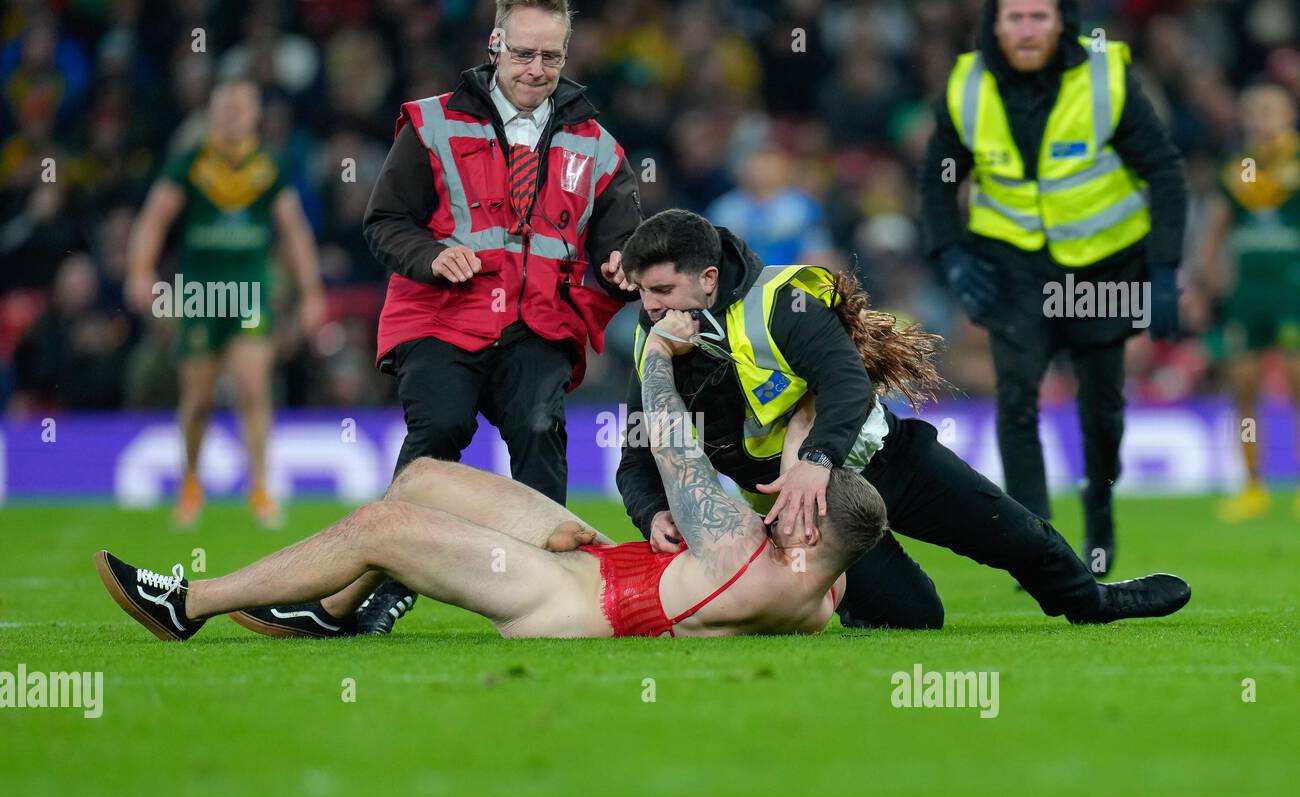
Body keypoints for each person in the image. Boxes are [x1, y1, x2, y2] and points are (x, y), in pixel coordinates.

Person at [92, 326, 890, 641]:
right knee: (425, 480)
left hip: (573, 604)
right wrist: (808, 447)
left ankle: (188, 605)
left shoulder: (748, 559)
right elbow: (812, 479)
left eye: (791, 509)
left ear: (810, 531)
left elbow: (676, 445)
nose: (774, 504)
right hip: (612, 565)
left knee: (380, 527)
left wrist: (656, 356)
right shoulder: (821, 575)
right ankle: (331, 613)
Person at [615, 208, 1192, 629]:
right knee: (916, 619)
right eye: (643, 292)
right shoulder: (653, 346)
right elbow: (637, 454)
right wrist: (651, 512)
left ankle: (1094, 604)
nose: (651, 309)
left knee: (1021, 539)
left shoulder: (781, 300)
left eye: (664, 290)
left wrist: (816, 459)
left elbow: (845, 380)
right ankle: (847, 600)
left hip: (884, 459)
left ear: (708, 279)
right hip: (801, 511)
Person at [353, 0, 643, 631]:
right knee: (440, 432)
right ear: (494, 44)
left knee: (540, 435)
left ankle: (557, 590)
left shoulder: (596, 146)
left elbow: (623, 243)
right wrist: (431, 257)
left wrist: (623, 266)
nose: (537, 69)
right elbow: (383, 222)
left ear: (567, 54)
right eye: (523, 53)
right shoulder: (430, 124)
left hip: (538, 324)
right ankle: (383, 584)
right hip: (441, 318)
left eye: (551, 56)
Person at [919, 0, 1188, 576]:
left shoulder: (1104, 73)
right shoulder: (968, 83)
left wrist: (1164, 272)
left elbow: (1164, 170)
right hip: (1012, 265)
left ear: (1062, 22)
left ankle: (1100, 511)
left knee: (1103, 408)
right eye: (1014, 17)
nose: (1026, 29)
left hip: (1104, 262)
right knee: (1017, 399)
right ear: (993, 25)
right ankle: (1035, 545)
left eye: (1039, 16)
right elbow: (938, 174)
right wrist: (951, 253)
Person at [126, 78, 325, 529]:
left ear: (256, 114)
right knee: (197, 397)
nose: (233, 114)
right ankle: (191, 482)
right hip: (200, 292)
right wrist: (140, 271)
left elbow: (295, 233)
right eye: (226, 107)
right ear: (214, 113)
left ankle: (260, 488)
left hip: (251, 289)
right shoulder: (191, 163)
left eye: (242, 106)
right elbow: (154, 218)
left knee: (253, 387)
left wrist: (312, 293)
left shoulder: (268, 166)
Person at [1189, 84, 1300, 522]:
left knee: (1296, 387)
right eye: (1253, 109)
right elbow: (1215, 229)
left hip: (1293, 290)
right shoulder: (1237, 168)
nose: (1262, 116)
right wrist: (1202, 283)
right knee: (1244, 388)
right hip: (1246, 295)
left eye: (1270, 108)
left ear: (1289, 113)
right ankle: (1253, 487)